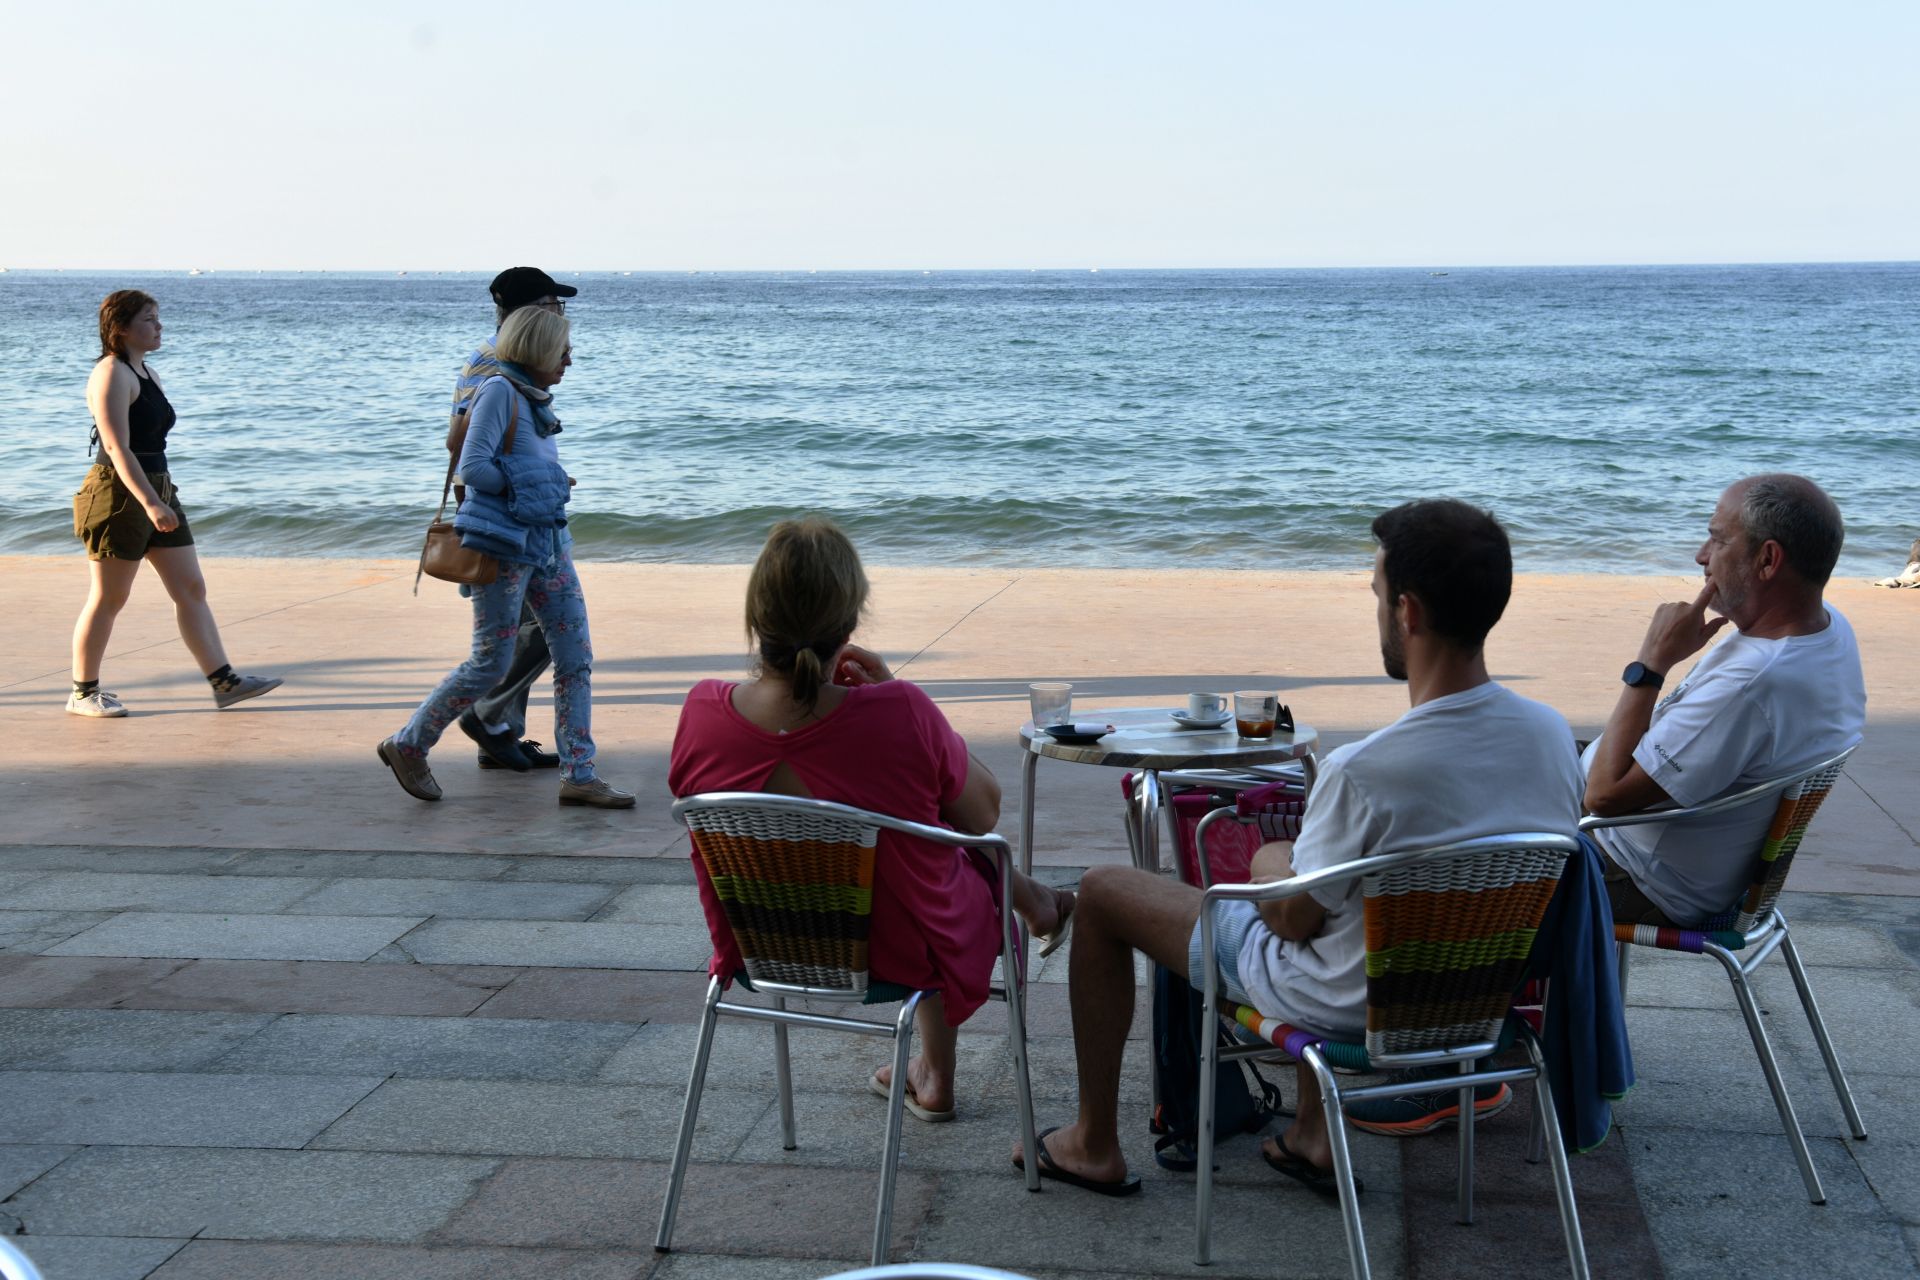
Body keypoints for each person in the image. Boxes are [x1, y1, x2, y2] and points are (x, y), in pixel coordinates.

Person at [1011, 499, 1583, 1195]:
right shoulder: (1552, 737)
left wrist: (1267, 860)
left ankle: (1091, 1143)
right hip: (1473, 998)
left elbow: (1291, 921)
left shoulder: (1368, 769)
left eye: (1376, 595)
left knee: (1105, 890)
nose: (1376, 611)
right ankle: (1311, 1135)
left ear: (1407, 613)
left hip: (1341, 1005)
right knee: (1344, 905)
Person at [668, 518, 1075, 1121]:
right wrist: (904, 703)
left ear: (757, 618)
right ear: (850, 620)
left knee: (914, 830)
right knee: (938, 843)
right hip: (900, 949)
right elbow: (983, 813)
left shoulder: (702, 712)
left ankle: (1027, 914)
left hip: (767, 947)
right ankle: (937, 1068)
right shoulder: (898, 712)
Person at [1583, 474, 1867, 926]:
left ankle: (1490, 987)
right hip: (1656, 841)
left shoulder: (1754, 684)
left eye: (1716, 540)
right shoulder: (1828, 627)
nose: (1701, 557)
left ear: (1768, 560)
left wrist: (1651, 665)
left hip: (1627, 871)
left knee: (1452, 838)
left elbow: (1604, 797)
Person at [378, 307, 632, 808]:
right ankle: (408, 744)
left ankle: (579, 773)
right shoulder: (499, 391)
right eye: (562, 351)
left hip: (549, 544)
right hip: (508, 547)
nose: (569, 361)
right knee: (490, 662)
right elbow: (473, 467)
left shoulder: (534, 398)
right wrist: (543, 483)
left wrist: (547, 484)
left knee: (576, 658)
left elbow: (520, 467)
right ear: (537, 349)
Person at [66, 290, 281, 717]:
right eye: (149, 319)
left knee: (191, 589)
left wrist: (159, 498)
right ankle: (83, 692)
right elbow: (115, 446)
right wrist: (149, 503)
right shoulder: (111, 373)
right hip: (118, 494)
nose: (159, 326)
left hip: (159, 488)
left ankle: (225, 682)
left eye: (159, 318)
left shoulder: (147, 372)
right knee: (110, 596)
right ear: (121, 327)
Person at [446, 267, 577, 773]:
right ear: (528, 311)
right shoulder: (494, 366)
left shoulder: (518, 361)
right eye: (552, 303)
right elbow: (463, 448)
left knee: (528, 629)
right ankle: (489, 718)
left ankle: (499, 731)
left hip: (525, 512)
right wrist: (526, 484)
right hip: (507, 518)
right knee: (536, 629)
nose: (561, 314)